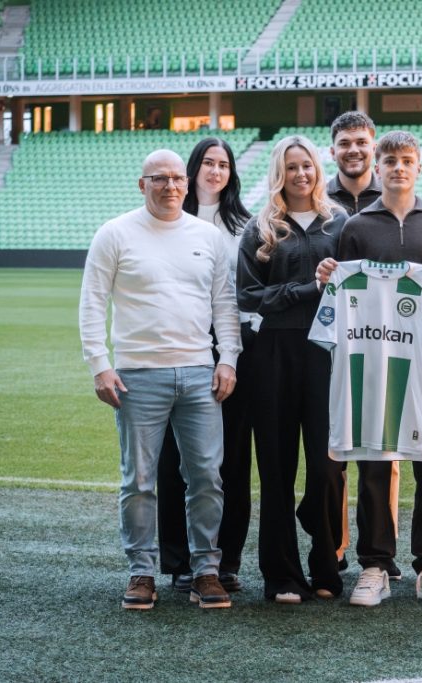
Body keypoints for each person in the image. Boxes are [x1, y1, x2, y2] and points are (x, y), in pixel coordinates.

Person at [79, 149, 241, 610]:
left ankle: (205, 571)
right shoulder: (114, 233)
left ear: (186, 184)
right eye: (159, 178)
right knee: (139, 480)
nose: (170, 186)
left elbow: (223, 304)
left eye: (176, 178)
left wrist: (228, 358)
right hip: (137, 376)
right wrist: (99, 365)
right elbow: (92, 301)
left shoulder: (207, 236)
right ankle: (142, 572)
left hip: (199, 373)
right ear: (142, 184)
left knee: (206, 476)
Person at [316, 130, 422, 608]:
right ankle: (375, 563)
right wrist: (327, 277)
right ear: (377, 168)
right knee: (375, 462)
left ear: (418, 167)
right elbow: (344, 294)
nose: (398, 168)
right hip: (373, 358)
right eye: (390, 161)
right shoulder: (356, 226)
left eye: (406, 160)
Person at [236, 135, 347, 603]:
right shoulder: (260, 227)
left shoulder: (340, 223)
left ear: (318, 170)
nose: (302, 174)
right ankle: (280, 574)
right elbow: (247, 296)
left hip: (328, 354)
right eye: (292, 166)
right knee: (276, 467)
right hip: (274, 355)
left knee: (327, 468)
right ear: (279, 173)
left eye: (308, 165)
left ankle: (326, 564)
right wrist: (306, 290)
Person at [156, 137, 254, 596]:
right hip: (179, 343)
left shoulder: (247, 225)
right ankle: (179, 559)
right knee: (175, 458)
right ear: (192, 169)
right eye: (208, 163)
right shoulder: (169, 217)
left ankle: (225, 559)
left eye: (224, 164)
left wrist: (230, 353)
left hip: (234, 345)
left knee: (230, 458)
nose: (216, 171)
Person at [326, 110, 402, 582]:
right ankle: (331, 549)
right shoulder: (317, 198)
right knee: (332, 454)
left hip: (385, 341)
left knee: (381, 452)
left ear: (373, 148)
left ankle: (379, 552)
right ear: (332, 150)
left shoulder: (394, 196)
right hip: (332, 340)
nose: (353, 150)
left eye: (361, 142)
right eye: (345, 143)